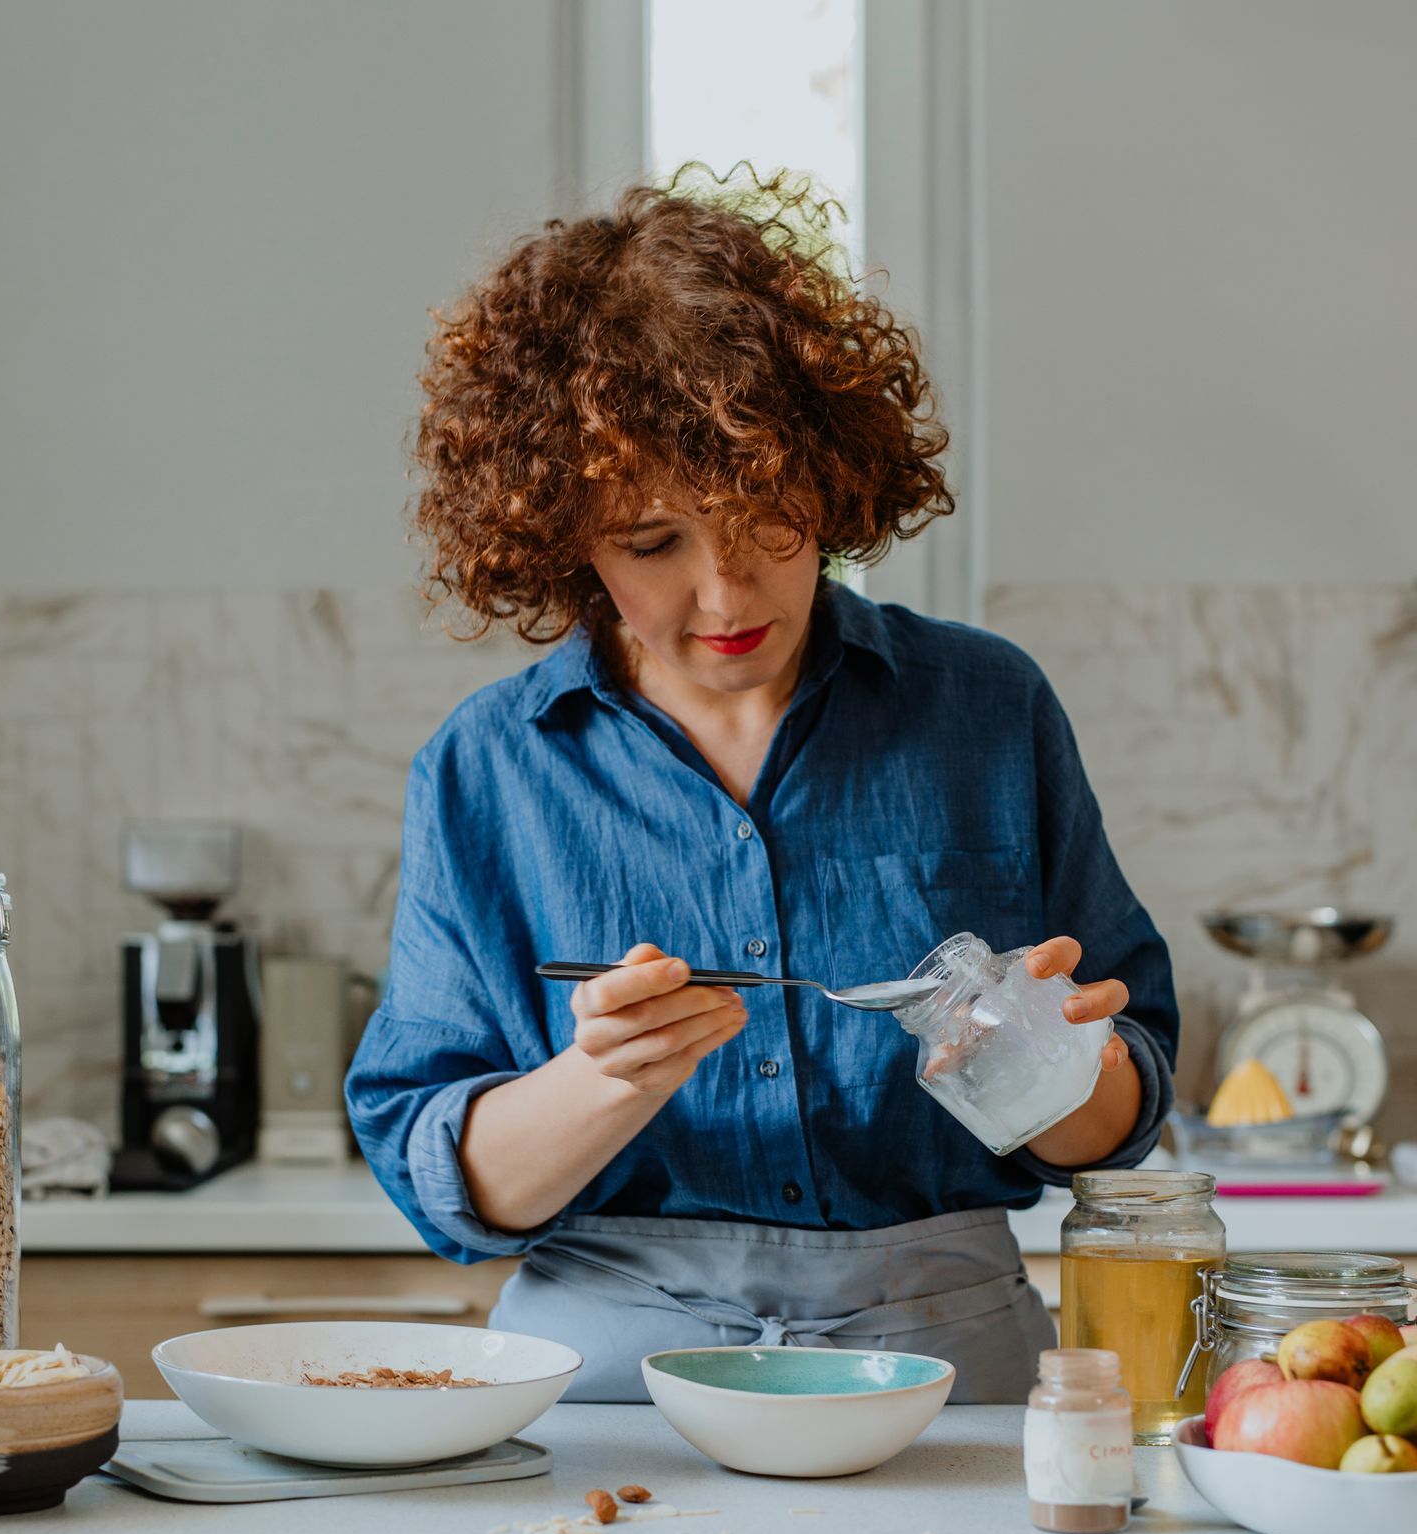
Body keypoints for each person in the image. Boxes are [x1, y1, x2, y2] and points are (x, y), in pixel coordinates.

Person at [347, 172, 1176, 1402]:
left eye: (765, 520)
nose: (725, 597)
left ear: (834, 483)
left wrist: (1051, 1073)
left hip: (951, 1369)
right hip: (608, 1378)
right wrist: (606, 1077)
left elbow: (1122, 1121)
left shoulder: (986, 709)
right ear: (560, 533)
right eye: (652, 544)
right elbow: (455, 1191)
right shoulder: (489, 768)